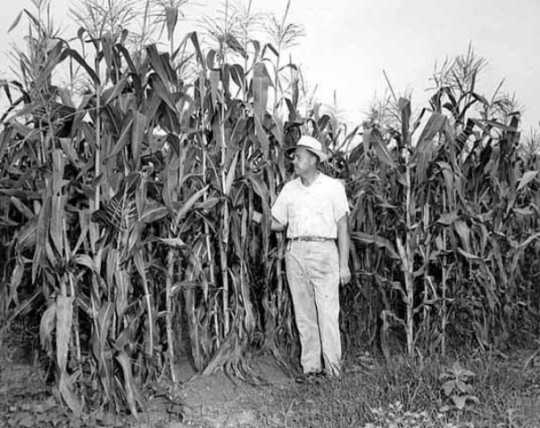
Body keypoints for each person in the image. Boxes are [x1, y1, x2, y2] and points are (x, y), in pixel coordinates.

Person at [270, 135, 351, 381]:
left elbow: (342, 226)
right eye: (294, 156)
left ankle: (334, 371)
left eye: (300, 156)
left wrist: (344, 264)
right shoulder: (289, 189)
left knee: (327, 312)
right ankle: (312, 369)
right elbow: (277, 223)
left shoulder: (332, 187)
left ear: (314, 159)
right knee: (303, 313)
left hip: (324, 250)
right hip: (295, 251)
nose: (294, 160)